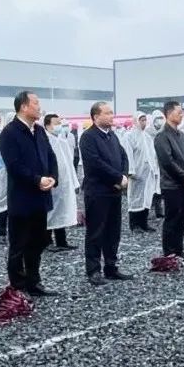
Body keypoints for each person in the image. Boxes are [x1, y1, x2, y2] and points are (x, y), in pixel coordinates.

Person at [0, 91, 59, 296]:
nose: (39, 107)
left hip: (41, 197)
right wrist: (36, 179)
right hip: (22, 198)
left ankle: (34, 281)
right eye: (35, 103)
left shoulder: (39, 131)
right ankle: (17, 285)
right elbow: (14, 166)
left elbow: (50, 156)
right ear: (23, 107)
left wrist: (52, 177)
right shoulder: (9, 133)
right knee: (19, 243)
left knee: (38, 241)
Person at [78, 101, 132, 286]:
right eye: (107, 113)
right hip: (98, 192)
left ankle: (111, 266)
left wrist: (123, 175)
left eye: (111, 113)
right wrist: (117, 178)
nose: (111, 116)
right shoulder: (88, 137)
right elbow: (95, 164)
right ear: (96, 117)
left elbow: (123, 157)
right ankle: (93, 270)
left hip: (114, 191)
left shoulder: (112, 136)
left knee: (113, 231)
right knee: (96, 232)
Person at [153, 101, 184, 265]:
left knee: (182, 219)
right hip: (172, 185)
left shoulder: (182, 135)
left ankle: (179, 250)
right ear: (169, 114)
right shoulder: (162, 137)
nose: (182, 114)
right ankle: (170, 253)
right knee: (172, 219)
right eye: (179, 112)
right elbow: (167, 162)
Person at [44, 114, 78, 252]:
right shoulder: (45, 141)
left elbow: (69, 163)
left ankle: (61, 241)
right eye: (56, 123)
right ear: (47, 125)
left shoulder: (61, 140)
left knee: (61, 212)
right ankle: (47, 242)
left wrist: (74, 182)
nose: (59, 126)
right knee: (50, 213)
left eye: (60, 123)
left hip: (64, 183)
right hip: (52, 182)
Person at [125, 112, 157, 232]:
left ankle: (144, 223)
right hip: (137, 173)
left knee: (146, 197)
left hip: (148, 173)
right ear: (135, 121)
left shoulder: (147, 137)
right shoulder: (129, 136)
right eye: (141, 120)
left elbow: (152, 155)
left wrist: (154, 169)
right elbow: (128, 154)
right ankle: (134, 225)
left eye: (145, 120)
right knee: (135, 198)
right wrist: (131, 171)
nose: (144, 123)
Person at [0, 111, 15, 246]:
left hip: (16, 174)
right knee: (3, 203)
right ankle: (2, 233)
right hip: (3, 172)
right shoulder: (0, 136)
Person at [145, 110, 165, 220]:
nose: (160, 121)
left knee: (159, 188)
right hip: (150, 162)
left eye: (161, 118)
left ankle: (159, 211)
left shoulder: (164, 132)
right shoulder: (147, 132)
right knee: (149, 187)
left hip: (160, 162)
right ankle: (145, 211)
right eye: (158, 119)